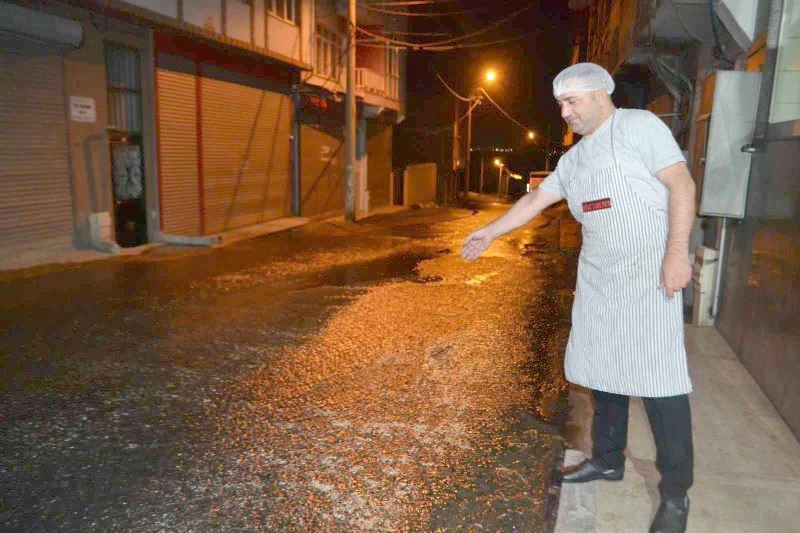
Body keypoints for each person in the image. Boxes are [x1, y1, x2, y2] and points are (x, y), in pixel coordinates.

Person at [460, 63, 695, 533]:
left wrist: (676, 254)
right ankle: (607, 460)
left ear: (601, 95)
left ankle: (675, 494)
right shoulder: (575, 159)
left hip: (649, 275)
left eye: (572, 101)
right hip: (600, 279)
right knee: (603, 371)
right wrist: (489, 232)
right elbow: (534, 201)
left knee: (660, 383)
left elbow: (681, 185)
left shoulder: (637, 127)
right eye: (561, 104)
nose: (565, 112)